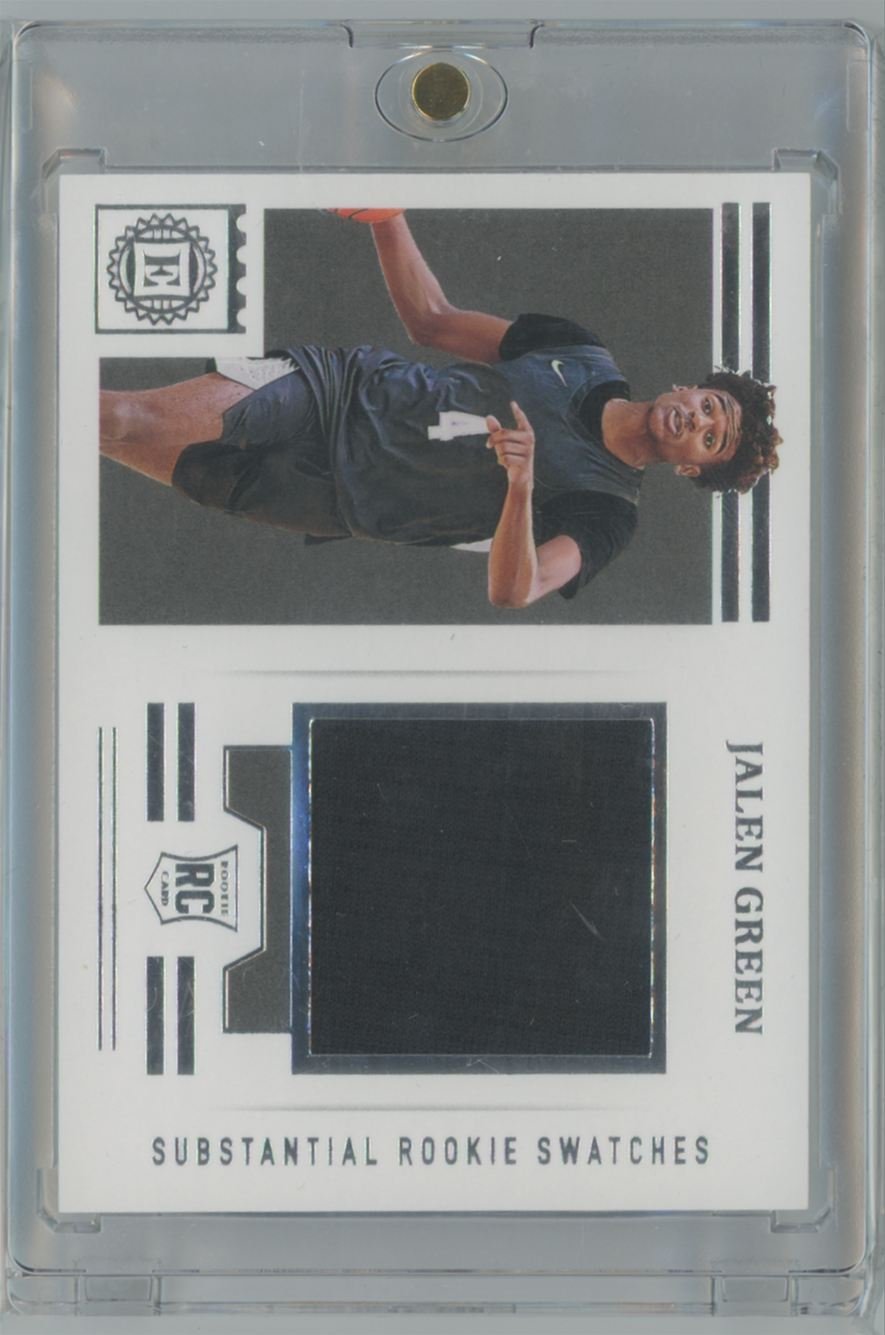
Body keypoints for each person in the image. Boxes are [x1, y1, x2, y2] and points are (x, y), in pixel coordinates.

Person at [100, 212, 782, 608]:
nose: (698, 421)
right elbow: (431, 319)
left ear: (691, 469)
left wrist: (521, 486)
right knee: (125, 420)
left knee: (105, 438)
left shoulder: (606, 513)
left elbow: (516, 591)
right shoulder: (579, 351)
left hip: (327, 499)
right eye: (710, 406)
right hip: (338, 393)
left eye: (711, 439)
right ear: (690, 387)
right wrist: (386, 214)